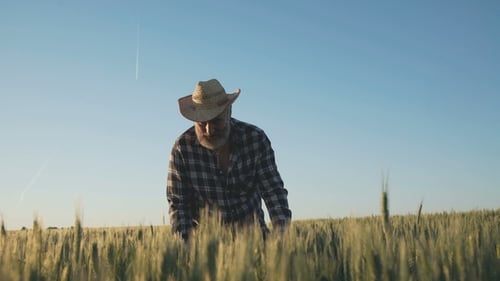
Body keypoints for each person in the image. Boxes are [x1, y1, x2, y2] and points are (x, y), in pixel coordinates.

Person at [167, 78, 291, 242]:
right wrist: (186, 251)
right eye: (202, 123)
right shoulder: (182, 149)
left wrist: (281, 239)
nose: (209, 130)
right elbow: (179, 204)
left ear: (229, 111)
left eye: (216, 121)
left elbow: (273, 191)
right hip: (206, 248)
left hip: (254, 242)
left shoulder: (255, 139)